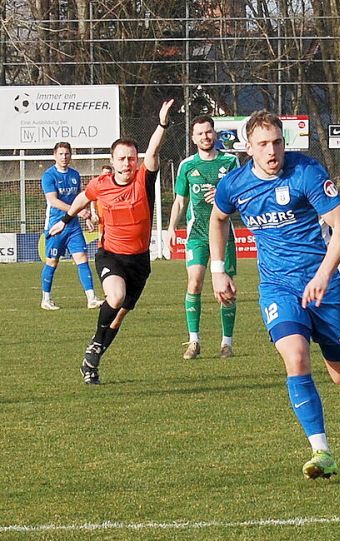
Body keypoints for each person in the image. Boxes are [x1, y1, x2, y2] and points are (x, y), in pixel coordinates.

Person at [209, 110, 340, 480]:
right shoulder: (234, 185)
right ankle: (321, 451)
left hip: (325, 287)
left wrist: (324, 275)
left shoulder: (306, 173)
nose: (272, 150)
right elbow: (217, 219)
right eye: (262, 144)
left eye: (277, 142)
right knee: (295, 358)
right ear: (248, 148)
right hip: (278, 288)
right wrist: (219, 271)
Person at [48, 99, 175, 384]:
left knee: (117, 319)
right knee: (114, 298)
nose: (128, 163)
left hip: (140, 262)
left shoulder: (144, 180)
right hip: (111, 255)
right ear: (113, 160)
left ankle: (91, 362)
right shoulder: (101, 184)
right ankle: (95, 342)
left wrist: (162, 123)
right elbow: (82, 198)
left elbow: (153, 150)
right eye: (122, 158)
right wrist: (65, 219)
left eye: (132, 158)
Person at [166, 115, 240, 360]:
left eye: (208, 132)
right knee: (194, 283)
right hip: (196, 234)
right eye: (200, 133)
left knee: (226, 290)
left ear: (214, 134)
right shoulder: (187, 165)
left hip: (224, 234)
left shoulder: (230, 162)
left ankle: (226, 343)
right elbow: (180, 201)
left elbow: (241, 196)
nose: (205, 137)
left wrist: (222, 195)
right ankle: (194, 341)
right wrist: (170, 229)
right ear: (193, 137)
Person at [39, 142, 103, 311]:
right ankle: (46, 298)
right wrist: (77, 212)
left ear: (71, 155)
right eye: (61, 154)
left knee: (82, 259)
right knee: (52, 261)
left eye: (67, 154)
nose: (64, 157)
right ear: (55, 155)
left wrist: (86, 216)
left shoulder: (75, 174)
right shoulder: (48, 176)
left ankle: (91, 298)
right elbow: (53, 201)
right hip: (56, 225)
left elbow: (79, 199)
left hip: (73, 226)